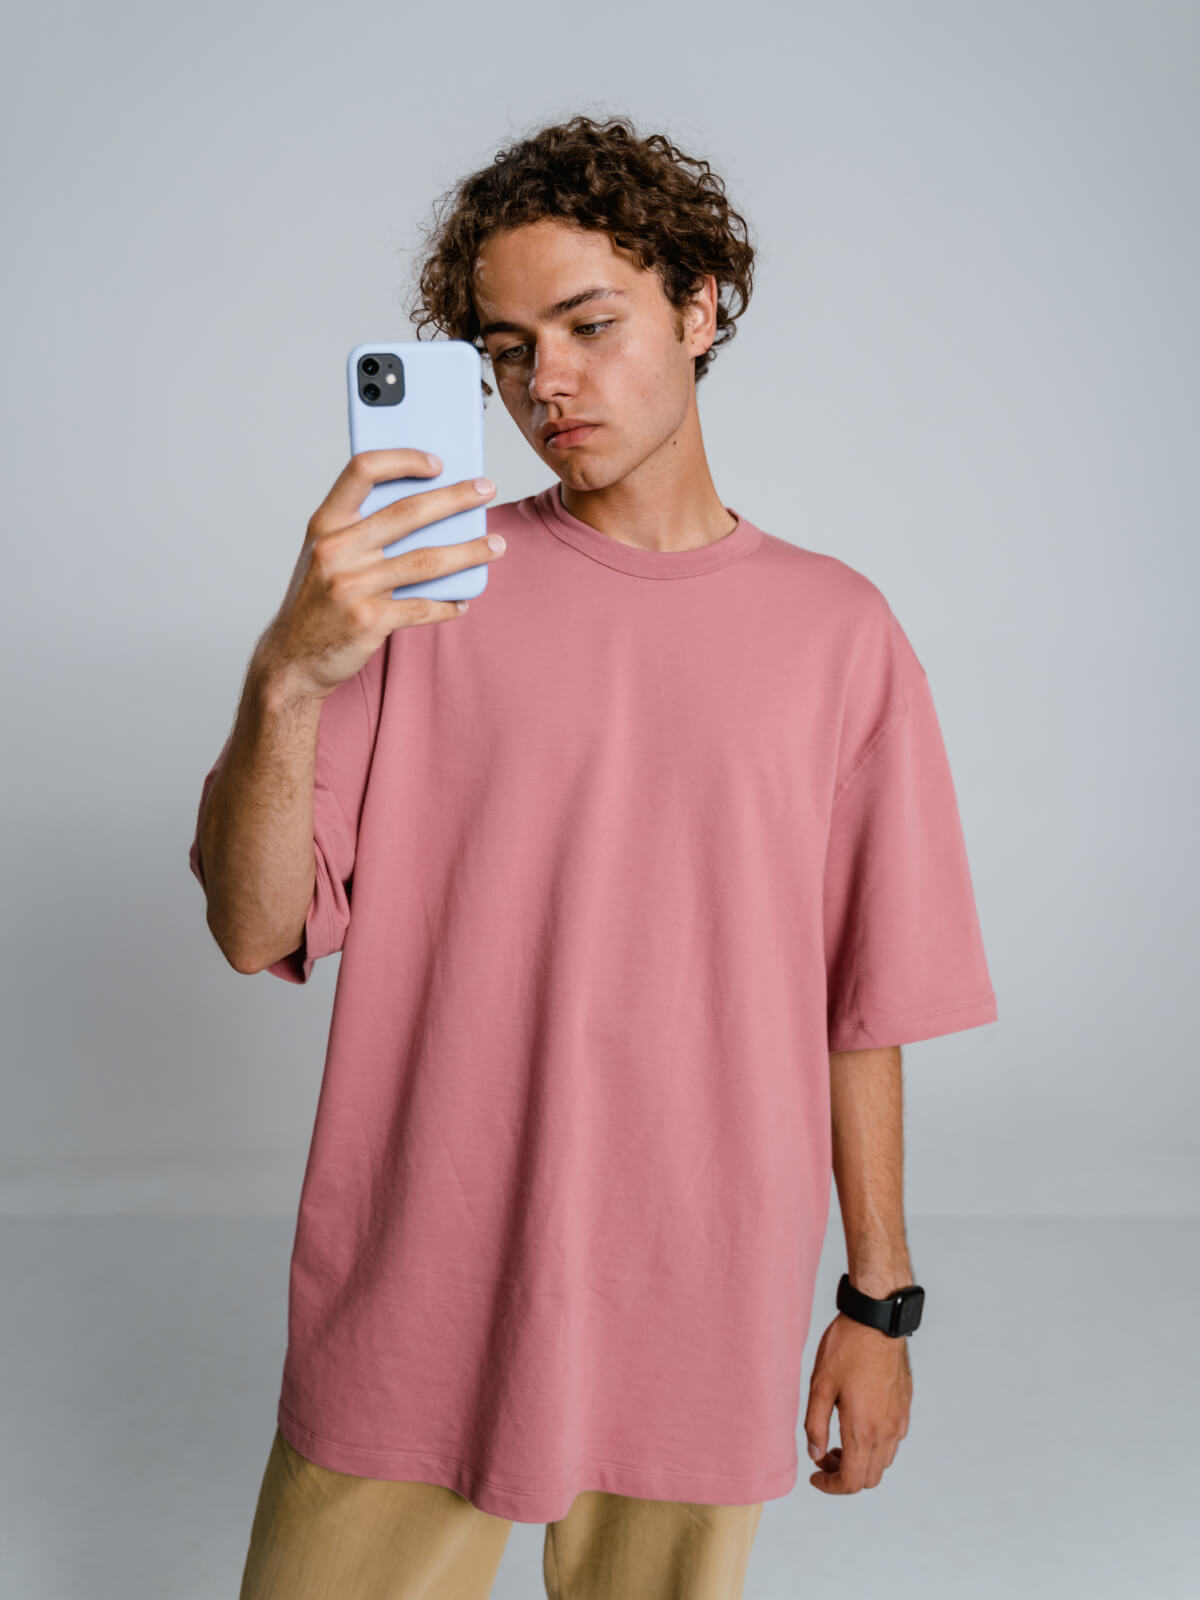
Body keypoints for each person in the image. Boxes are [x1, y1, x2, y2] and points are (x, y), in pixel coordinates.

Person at [188, 113, 998, 1600]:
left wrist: (879, 1303)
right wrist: (288, 674)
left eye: (588, 324)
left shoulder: (841, 632)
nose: (544, 382)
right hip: (420, 1285)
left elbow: (862, 998)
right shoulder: (424, 600)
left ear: (699, 309)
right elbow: (253, 929)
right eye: (506, 350)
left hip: (699, 1291)